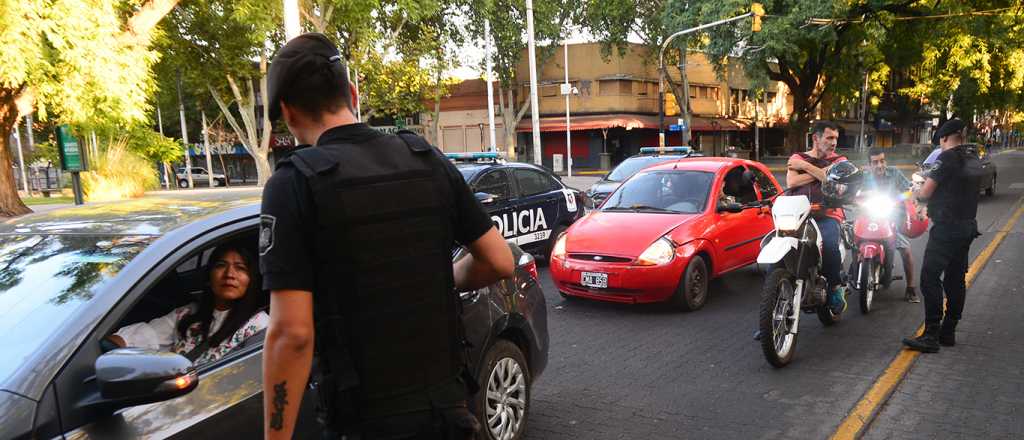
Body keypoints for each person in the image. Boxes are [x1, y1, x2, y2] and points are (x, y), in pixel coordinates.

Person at [259, 33, 514, 440]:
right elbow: (499, 260)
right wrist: (443, 278)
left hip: (367, 423)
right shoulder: (427, 159)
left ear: (287, 112)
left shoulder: (293, 184)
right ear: (353, 94)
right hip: (449, 416)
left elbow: (292, 334)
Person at [107, 244, 269, 365]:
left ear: (251, 280)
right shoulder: (187, 314)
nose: (229, 274)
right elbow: (142, 336)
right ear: (209, 276)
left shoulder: (259, 326)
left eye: (240, 268)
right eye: (221, 266)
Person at [903, 119, 982, 353]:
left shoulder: (946, 158)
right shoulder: (972, 156)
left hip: (947, 228)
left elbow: (926, 192)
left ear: (944, 138)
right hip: (967, 226)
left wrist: (916, 191)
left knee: (929, 278)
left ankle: (931, 335)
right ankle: (949, 331)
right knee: (955, 279)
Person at [786, 120, 849, 314]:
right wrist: (822, 172)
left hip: (827, 214)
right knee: (780, 252)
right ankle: (771, 309)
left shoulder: (839, 161)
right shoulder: (797, 156)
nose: (833, 142)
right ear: (816, 138)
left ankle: (835, 289)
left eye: (836, 138)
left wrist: (804, 166)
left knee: (829, 245)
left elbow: (830, 180)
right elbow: (791, 182)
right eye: (829, 137)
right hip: (797, 214)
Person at [859, 147, 920, 303]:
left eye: (882, 160)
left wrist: (901, 197)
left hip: (891, 217)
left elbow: (909, 191)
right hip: (868, 217)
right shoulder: (863, 177)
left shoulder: (894, 173)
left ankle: (911, 288)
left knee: (905, 250)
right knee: (853, 241)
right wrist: (858, 197)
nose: (879, 165)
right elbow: (853, 193)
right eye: (875, 162)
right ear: (869, 164)